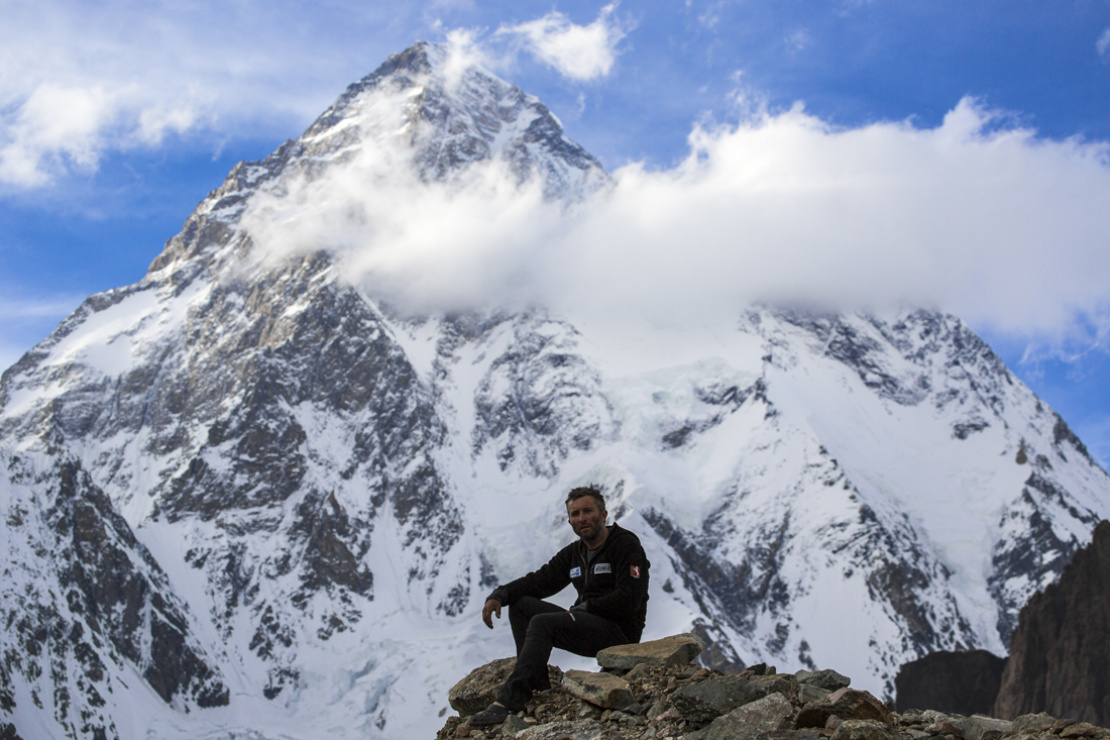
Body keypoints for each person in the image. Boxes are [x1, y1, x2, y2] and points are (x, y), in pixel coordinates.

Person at [468, 485, 650, 727]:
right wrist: (500, 595)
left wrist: (586, 608)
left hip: (619, 632)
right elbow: (540, 581)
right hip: (586, 622)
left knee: (544, 623)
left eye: (588, 511)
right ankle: (537, 683)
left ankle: (510, 700)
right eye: (575, 514)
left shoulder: (625, 544)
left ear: (604, 514)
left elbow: (629, 599)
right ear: (569, 521)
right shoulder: (575, 553)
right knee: (521, 605)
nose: (581, 518)